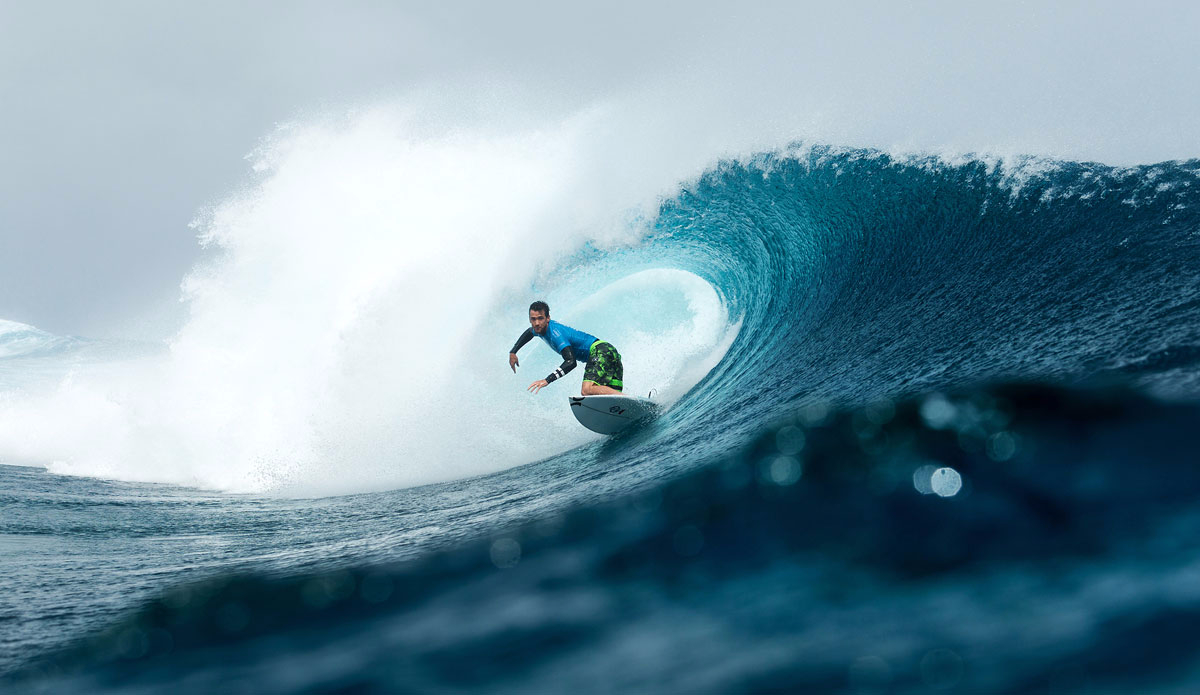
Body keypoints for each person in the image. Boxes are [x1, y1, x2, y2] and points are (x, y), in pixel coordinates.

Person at [509, 301, 623, 395]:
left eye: (540, 318)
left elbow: (571, 362)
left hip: (600, 351)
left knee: (587, 390)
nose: (537, 323)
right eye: (533, 319)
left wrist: (547, 380)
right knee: (611, 398)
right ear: (530, 319)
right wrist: (513, 352)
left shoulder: (555, 334)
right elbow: (529, 332)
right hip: (608, 351)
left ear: (548, 318)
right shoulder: (537, 329)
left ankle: (626, 398)